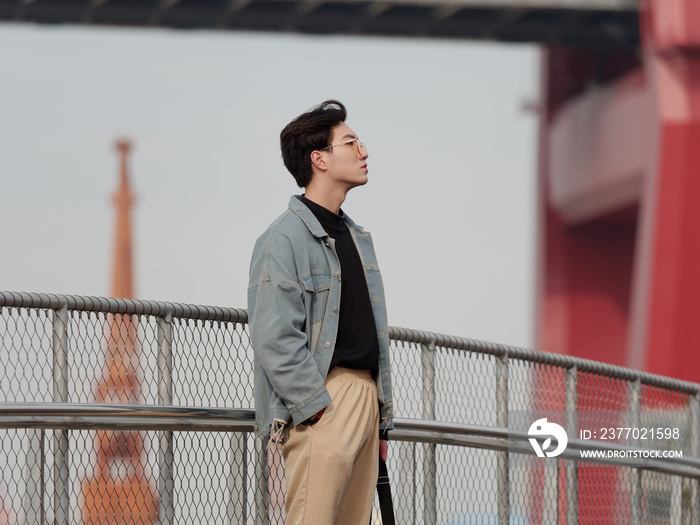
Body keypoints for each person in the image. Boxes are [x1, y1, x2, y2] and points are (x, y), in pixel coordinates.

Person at [247, 100, 394, 525]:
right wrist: (315, 409)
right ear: (320, 159)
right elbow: (274, 336)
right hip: (324, 401)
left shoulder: (355, 236)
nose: (363, 151)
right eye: (351, 143)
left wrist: (378, 420)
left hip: (365, 401)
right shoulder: (283, 239)